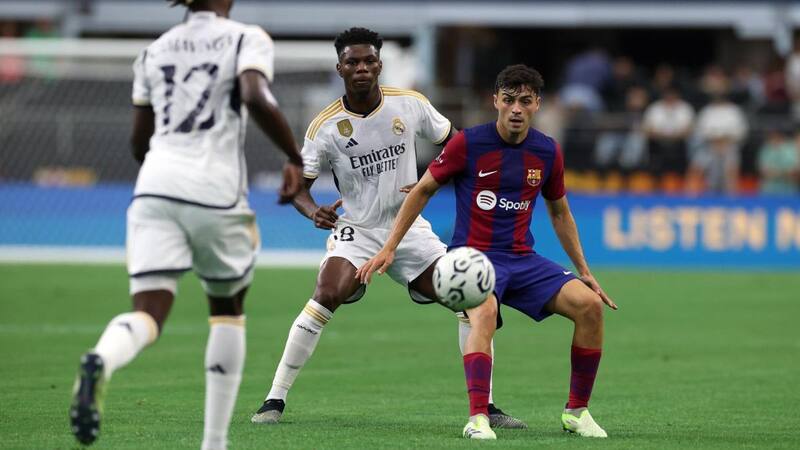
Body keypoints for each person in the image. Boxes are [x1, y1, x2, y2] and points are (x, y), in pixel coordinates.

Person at [250, 27, 525, 430]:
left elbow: (459, 147)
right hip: (358, 230)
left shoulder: (410, 105)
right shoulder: (325, 126)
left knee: (472, 300)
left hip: (410, 229)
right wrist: (312, 212)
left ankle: (487, 406)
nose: (361, 68)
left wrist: (437, 175)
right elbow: (297, 188)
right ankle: (274, 398)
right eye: (352, 62)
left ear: (379, 64)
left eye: (368, 61)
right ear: (340, 67)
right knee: (327, 292)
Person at [69, 1, 304, 449]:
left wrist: (167, 166)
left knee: (149, 312)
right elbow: (255, 95)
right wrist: (294, 156)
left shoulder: (154, 50)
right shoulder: (245, 37)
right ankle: (213, 443)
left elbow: (140, 139)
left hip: (154, 187)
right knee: (227, 311)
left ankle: (103, 356)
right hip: (215, 191)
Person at [357, 64, 618, 440]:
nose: (516, 109)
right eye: (509, 100)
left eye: (525, 101)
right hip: (473, 258)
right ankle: (478, 417)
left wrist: (585, 271)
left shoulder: (546, 151)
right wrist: (390, 247)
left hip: (523, 260)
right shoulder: (468, 143)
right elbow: (423, 189)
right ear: (495, 100)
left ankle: (577, 412)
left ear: (537, 105)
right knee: (484, 311)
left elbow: (560, 212)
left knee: (589, 306)